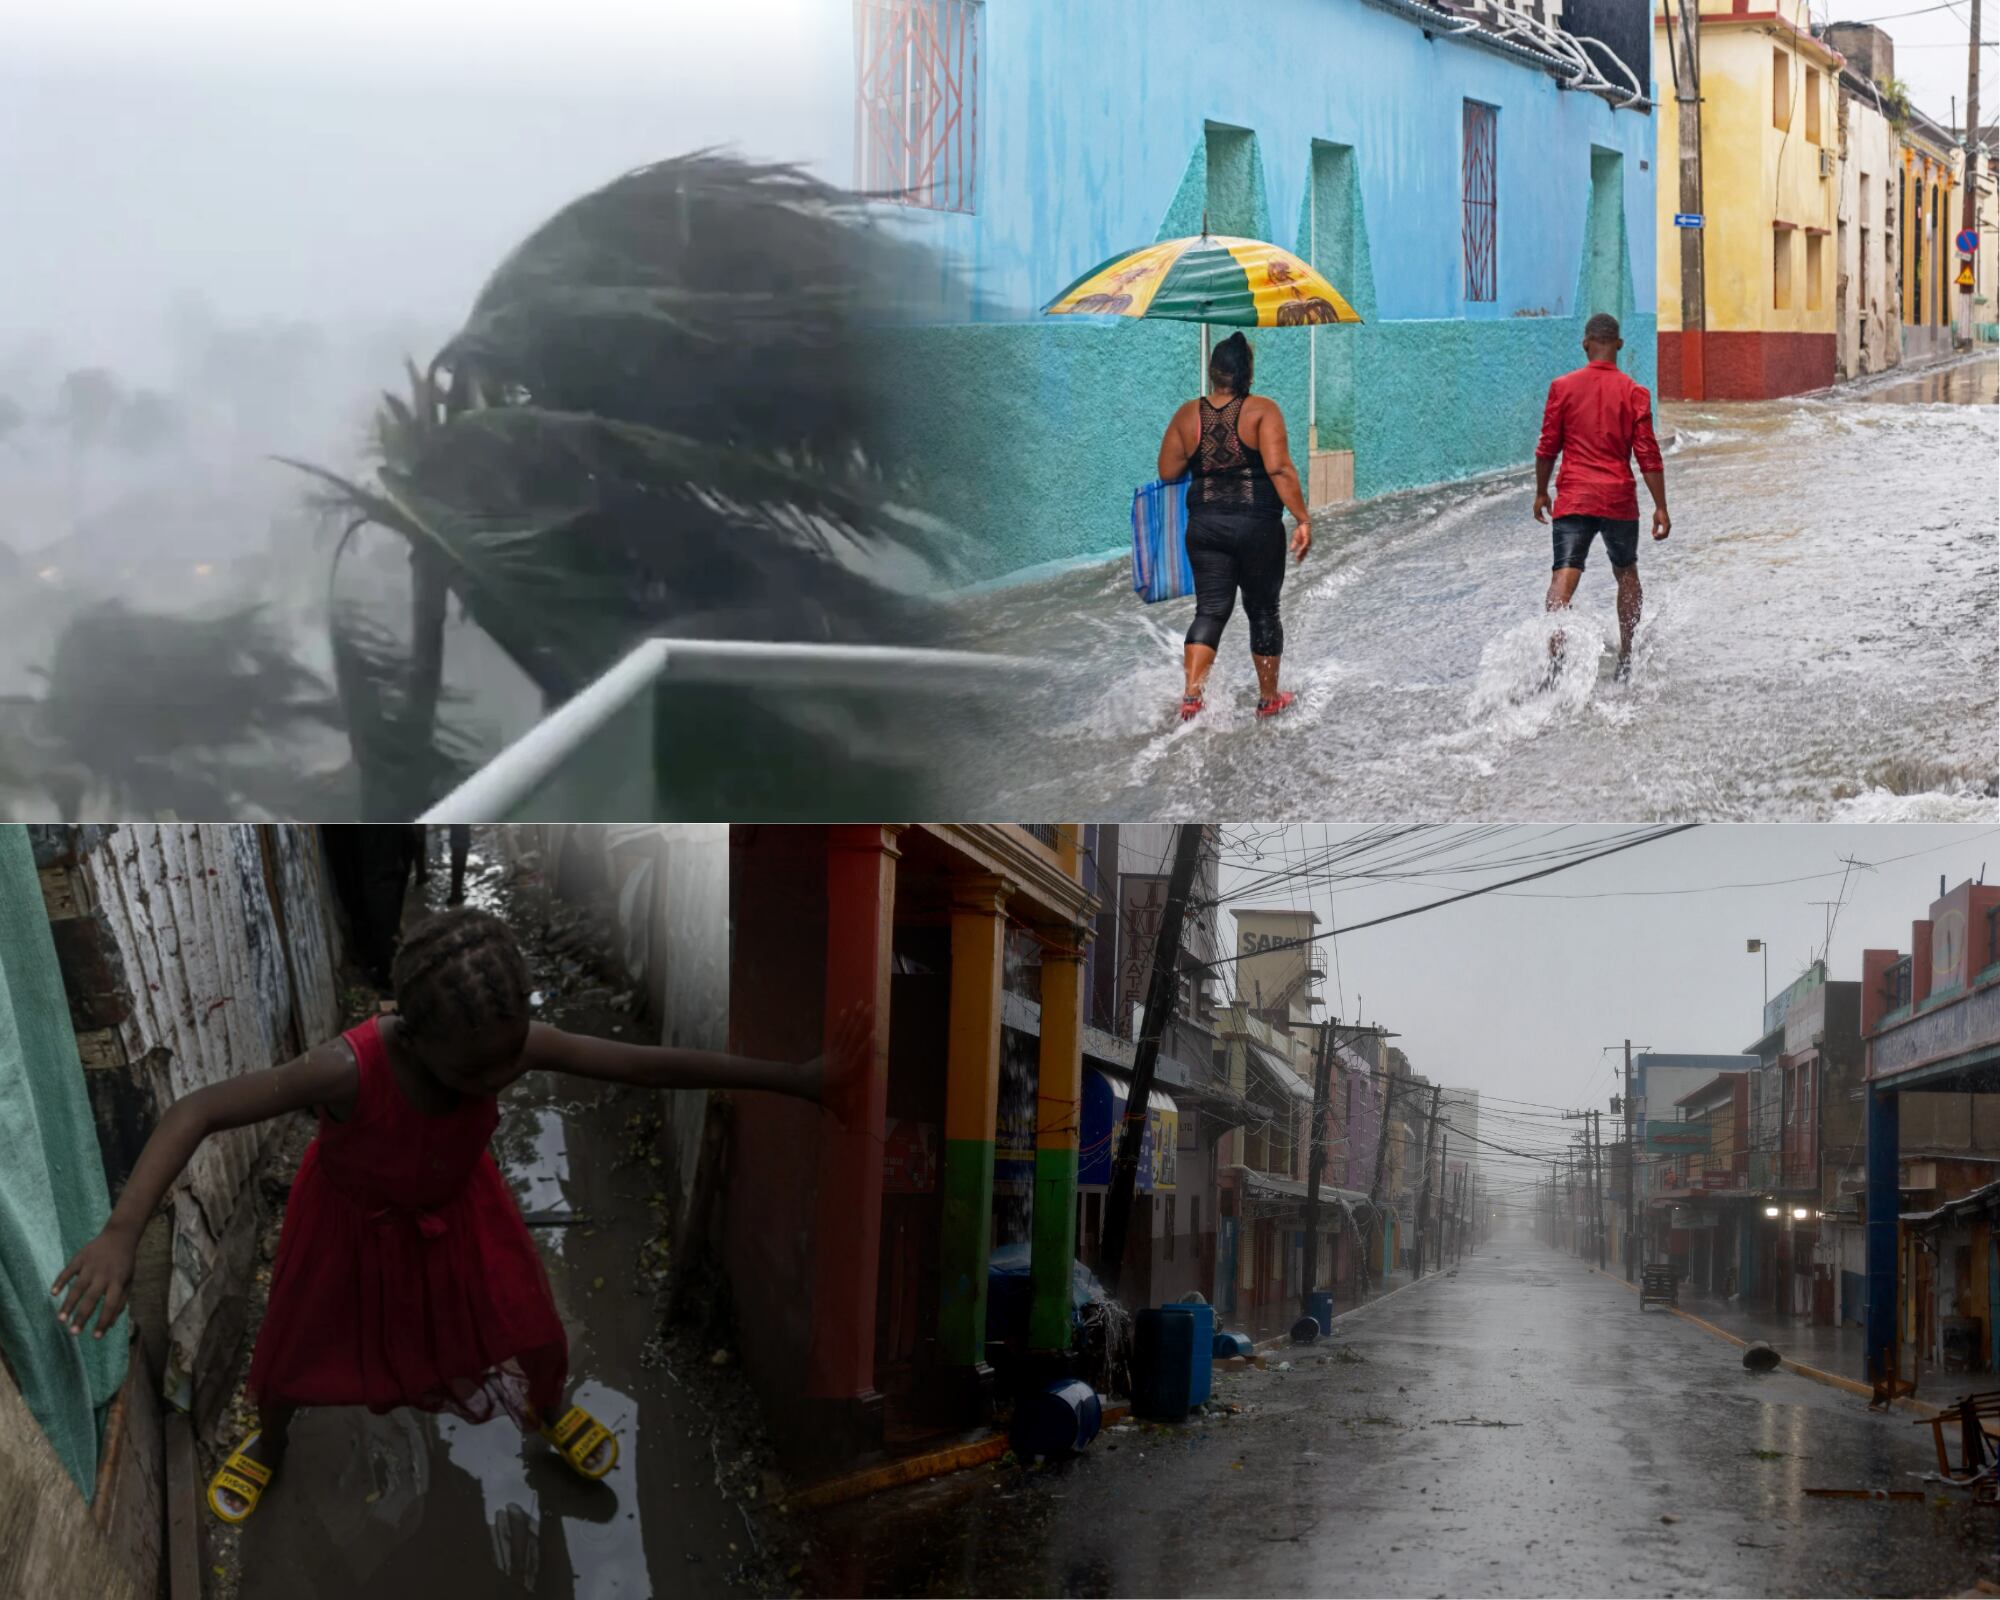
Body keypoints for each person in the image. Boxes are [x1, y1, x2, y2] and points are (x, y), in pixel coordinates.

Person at [50, 907, 859, 1524]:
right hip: (350, 1225)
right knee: (294, 1351)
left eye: (512, 1055)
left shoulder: (507, 1042)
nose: (502, 1074)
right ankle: (271, 1441)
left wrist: (796, 1078)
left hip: (460, 1211)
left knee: (529, 1326)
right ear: (415, 1032)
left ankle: (549, 1407)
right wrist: (122, 1230)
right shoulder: (346, 1068)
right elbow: (194, 1111)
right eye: (479, 1068)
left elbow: (648, 1065)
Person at [1155, 331, 1312, 722]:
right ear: (1249, 373)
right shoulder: (1263, 410)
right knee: (1262, 610)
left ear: (1212, 372)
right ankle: (1268, 698)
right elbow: (1277, 467)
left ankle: (1192, 698)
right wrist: (1302, 517)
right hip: (1257, 525)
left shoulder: (1187, 414)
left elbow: (1167, 470)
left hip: (1205, 527)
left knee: (1209, 610)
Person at [1531, 312, 1670, 679]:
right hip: (1618, 499)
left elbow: (1547, 447)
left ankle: (1555, 663)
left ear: (1585, 344)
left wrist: (1541, 492)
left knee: (1563, 577)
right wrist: (1660, 506)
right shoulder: (1635, 392)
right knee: (1626, 574)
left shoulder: (1562, 387)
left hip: (1574, 497)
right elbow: (1647, 454)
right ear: (1620, 345)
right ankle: (1627, 658)